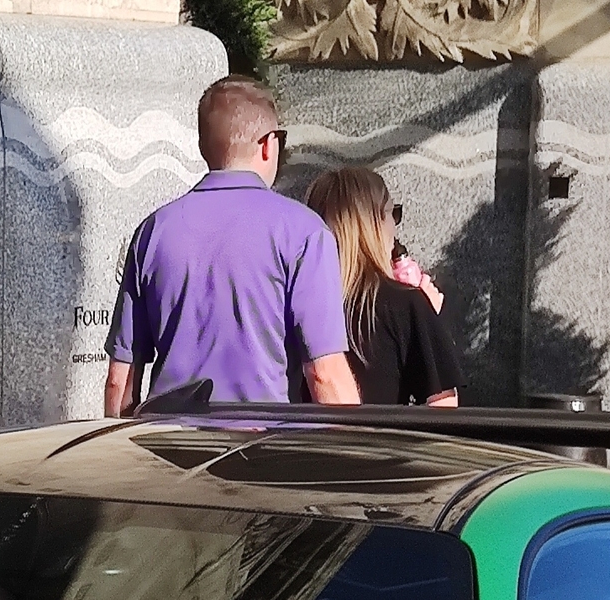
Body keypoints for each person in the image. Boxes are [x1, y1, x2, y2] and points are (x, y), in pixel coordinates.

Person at [104, 76, 359, 415]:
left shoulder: (153, 232)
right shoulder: (304, 232)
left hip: (165, 447)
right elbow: (325, 375)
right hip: (262, 452)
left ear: (203, 146)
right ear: (268, 144)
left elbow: (119, 380)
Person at [302, 166, 460, 406]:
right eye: (392, 213)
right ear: (374, 223)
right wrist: (427, 321)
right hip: (380, 443)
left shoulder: (296, 302)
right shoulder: (406, 305)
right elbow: (443, 408)